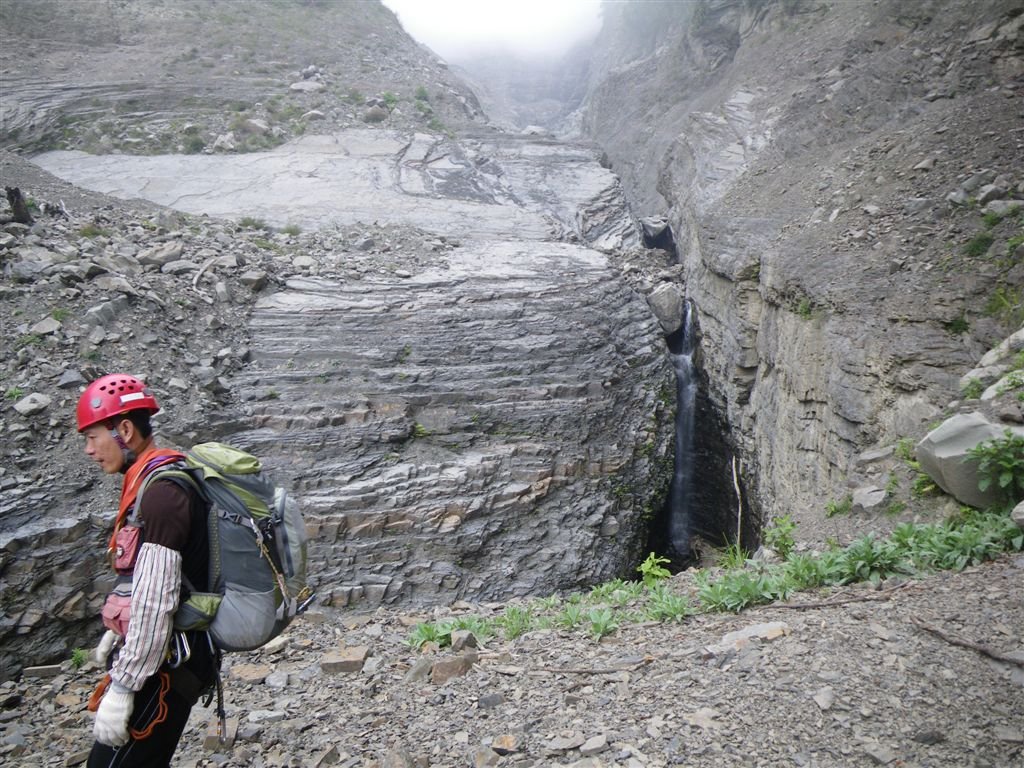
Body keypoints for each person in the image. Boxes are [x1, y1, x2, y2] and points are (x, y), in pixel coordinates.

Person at [77, 373, 218, 767]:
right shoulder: (154, 482)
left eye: (93, 437)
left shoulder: (161, 495)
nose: (89, 450)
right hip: (171, 658)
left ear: (124, 429)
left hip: (168, 664)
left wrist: (123, 687)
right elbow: (142, 584)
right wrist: (115, 630)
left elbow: (157, 601)